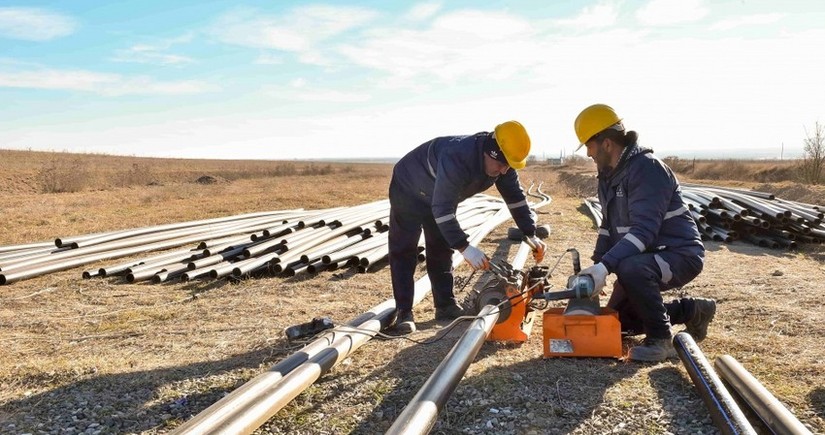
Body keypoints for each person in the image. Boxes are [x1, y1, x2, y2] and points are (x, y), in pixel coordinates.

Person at [574, 104, 716, 362]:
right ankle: (693, 310)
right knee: (618, 323)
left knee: (630, 268)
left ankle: (661, 340)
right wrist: (596, 268)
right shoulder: (608, 177)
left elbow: (644, 232)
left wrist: (606, 267)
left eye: (589, 145)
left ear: (606, 143)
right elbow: (607, 227)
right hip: (642, 258)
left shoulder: (647, 169)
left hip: (678, 255)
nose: (588, 153)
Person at [388, 121, 547, 334]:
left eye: (509, 165)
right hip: (409, 189)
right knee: (405, 249)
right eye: (501, 164)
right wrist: (465, 247)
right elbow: (443, 209)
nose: (504, 170)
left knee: (441, 246)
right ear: (489, 152)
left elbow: (515, 197)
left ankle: (445, 306)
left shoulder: (503, 162)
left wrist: (530, 232)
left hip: (438, 195)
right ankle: (403, 312)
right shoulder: (457, 157)